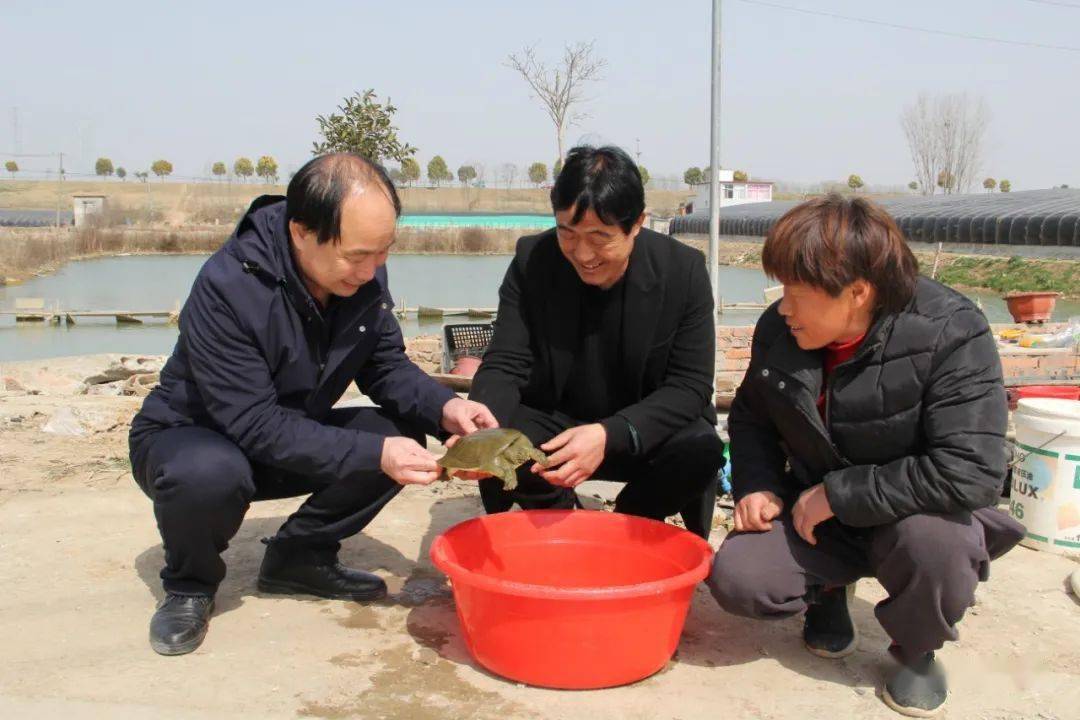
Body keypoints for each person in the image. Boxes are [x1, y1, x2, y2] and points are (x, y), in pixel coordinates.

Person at [129, 154, 496, 656]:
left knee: (399, 434)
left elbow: (384, 365)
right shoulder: (227, 288)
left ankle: (299, 559)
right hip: (192, 436)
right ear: (302, 232)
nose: (370, 271)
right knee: (210, 473)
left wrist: (445, 408)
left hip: (287, 430)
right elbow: (253, 423)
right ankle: (190, 584)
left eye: (383, 253)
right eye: (356, 256)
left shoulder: (361, 278)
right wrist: (373, 456)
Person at [706, 194, 1024, 717]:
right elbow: (750, 419)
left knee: (936, 547)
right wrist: (758, 485)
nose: (783, 306)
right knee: (741, 578)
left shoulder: (951, 331)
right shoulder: (780, 330)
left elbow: (971, 471)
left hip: (913, 515)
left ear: (856, 292)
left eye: (796, 292)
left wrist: (838, 495)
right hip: (817, 512)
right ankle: (829, 590)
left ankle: (917, 650)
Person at [466, 145, 724, 537]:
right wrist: (481, 431)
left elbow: (690, 387)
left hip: (641, 427)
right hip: (556, 423)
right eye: (567, 233)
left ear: (637, 223)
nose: (582, 253)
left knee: (701, 447)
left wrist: (611, 433)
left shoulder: (682, 272)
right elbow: (505, 362)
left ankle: (628, 522)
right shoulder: (531, 260)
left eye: (600, 237)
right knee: (502, 430)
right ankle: (562, 516)